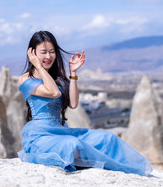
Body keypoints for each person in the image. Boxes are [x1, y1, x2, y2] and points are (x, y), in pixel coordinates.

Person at [17, 30, 152, 176]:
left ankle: (125, 171)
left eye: (52, 51)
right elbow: (54, 92)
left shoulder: (56, 79)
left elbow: (74, 103)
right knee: (72, 145)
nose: (48, 56)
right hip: (41, 136)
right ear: (32, 53)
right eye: (43, 52)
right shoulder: (25, 80)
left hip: (61, 131)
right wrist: (38, 66)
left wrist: (73, 73)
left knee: (108, 138)